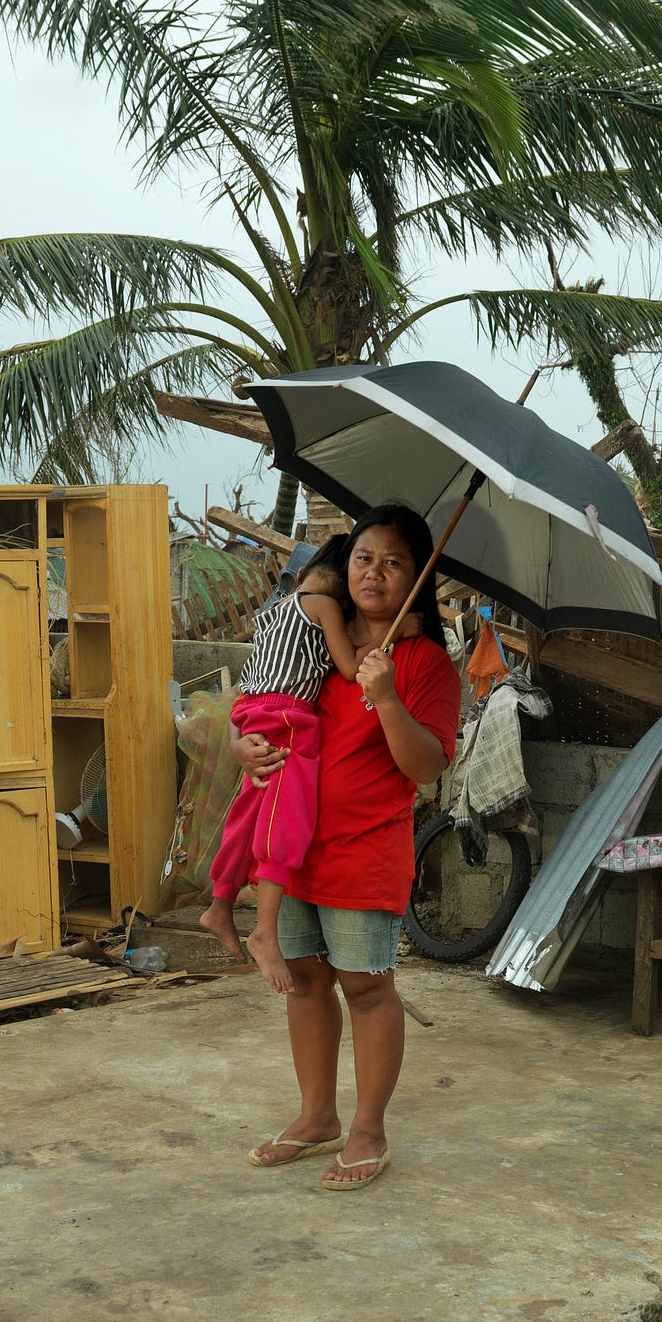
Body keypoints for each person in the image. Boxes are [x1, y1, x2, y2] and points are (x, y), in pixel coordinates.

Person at [236, 506, 461, 1191]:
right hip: (292, 849)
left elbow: (426, 767)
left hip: (366, 851)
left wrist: (387, 698)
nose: (374, 573)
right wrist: (243, 748)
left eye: (394, 563)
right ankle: (316, 1117)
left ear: (417, 578)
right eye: (365, 557)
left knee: (366, 988)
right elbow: (263, 702)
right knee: (306, 981)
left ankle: (368, 1129)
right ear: (346, 562)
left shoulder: (424, 663)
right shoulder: (312, 637)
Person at [198, 549, 365, 993]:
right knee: (288, 823)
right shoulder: (324, 605)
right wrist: (387, 642)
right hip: (288, 717)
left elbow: (247, 685)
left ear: (304, 572)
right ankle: (264, 932)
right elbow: (349, 668)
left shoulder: (273, 614)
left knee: (249, 814)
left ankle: (219, 906)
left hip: (252, 713)